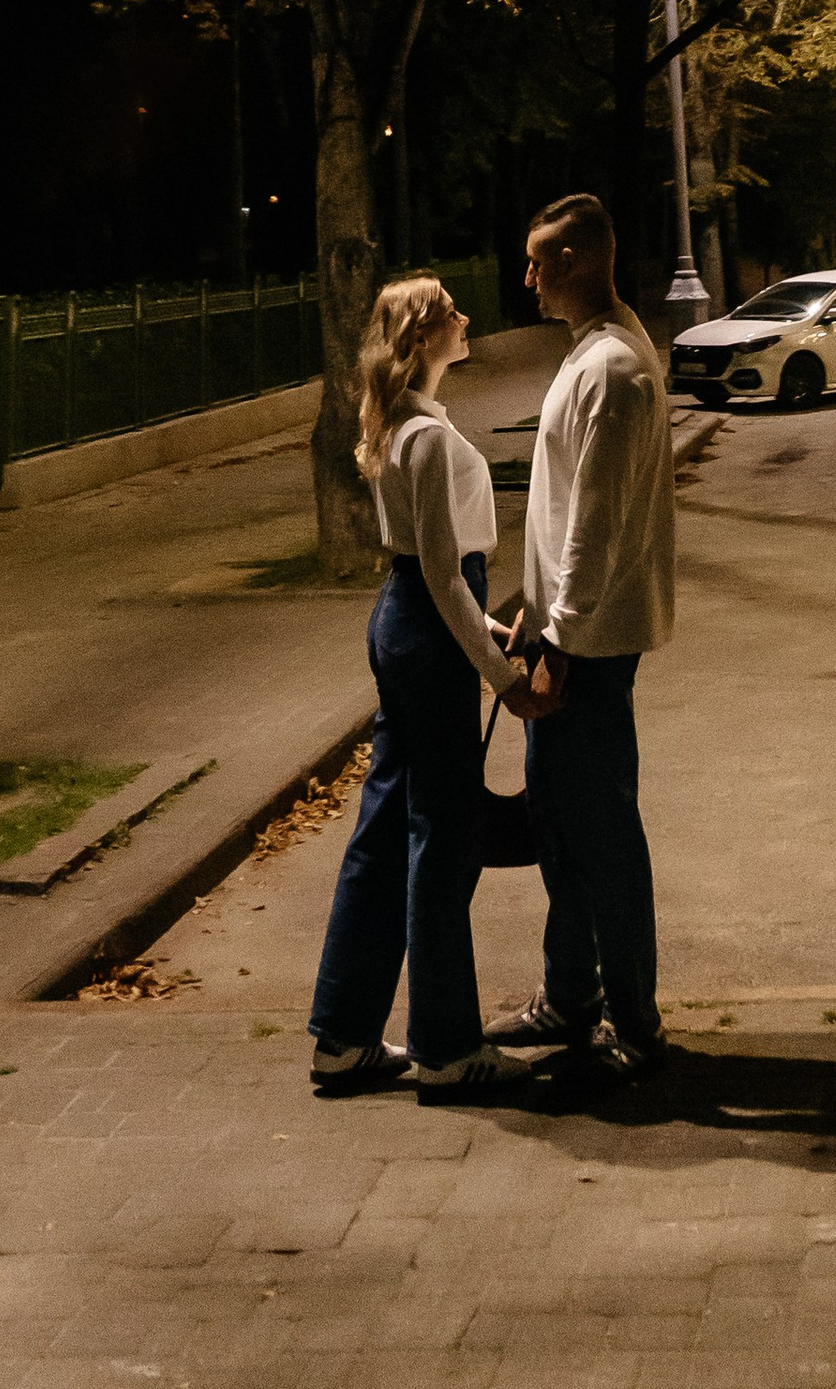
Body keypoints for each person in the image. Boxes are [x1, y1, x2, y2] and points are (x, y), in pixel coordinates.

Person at [307, 274, 551, 1104]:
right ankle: (447, 1046)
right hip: (433, 626)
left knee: (384, 827)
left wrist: (482, 635)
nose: (467, 316)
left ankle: (341, 1038)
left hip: (400, 622)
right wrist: (503, 676)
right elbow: (450, 580)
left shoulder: (402, 427)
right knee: (443, 837)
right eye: (451, 309)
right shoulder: (432, 441)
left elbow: (430, 578)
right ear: (423, 336)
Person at [488, 190, 676, 1078]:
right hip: (569, 634)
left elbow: (594, 529)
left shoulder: (612, 372)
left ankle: (632, 1024)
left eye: (536, 261)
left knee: (601, 837)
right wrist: (534, 609)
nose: (525, 278)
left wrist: (556, 642)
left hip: (589, 652)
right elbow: (569, 515)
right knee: (564, 831)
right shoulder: (597, 354)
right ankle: (572, 996)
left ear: (571, 262)